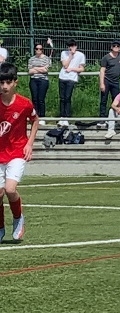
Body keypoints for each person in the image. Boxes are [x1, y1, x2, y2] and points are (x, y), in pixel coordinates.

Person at [0, 63, 40, 242]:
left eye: (8, 82)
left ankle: (18, 218)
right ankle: (0, 226)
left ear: (15, 82)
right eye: (1, 83)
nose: (4, 86)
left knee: (10, 189)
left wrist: (29, 144)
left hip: (17, 151)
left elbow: (35, 120)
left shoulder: (24, 104)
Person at [58, 40, 86, 127]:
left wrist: (72, 69)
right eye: (69, 46)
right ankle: (62, 117)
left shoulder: (81, 55)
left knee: (67, 97)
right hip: (62, 77)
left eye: (73, 45)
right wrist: (70, 55)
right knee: (62, 98)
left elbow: (81, 69)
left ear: (76, 46)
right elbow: (65, 65)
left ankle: (66, 117)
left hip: (71, 78)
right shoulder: (64, 53)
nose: (71, 47)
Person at [27, 38, 53, 124]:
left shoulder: (46, 58)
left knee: (41, 99)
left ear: (43, 50)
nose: (39, 50)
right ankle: (35, 116)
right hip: (33, 80)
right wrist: (40, 69)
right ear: (35, 49)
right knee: (34, 99)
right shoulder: (31, 59)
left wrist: (35, 68)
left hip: (43, 80)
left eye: (40, 49)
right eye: (37, 49)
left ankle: (42, 117)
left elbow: (46, 70)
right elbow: (30, 71)